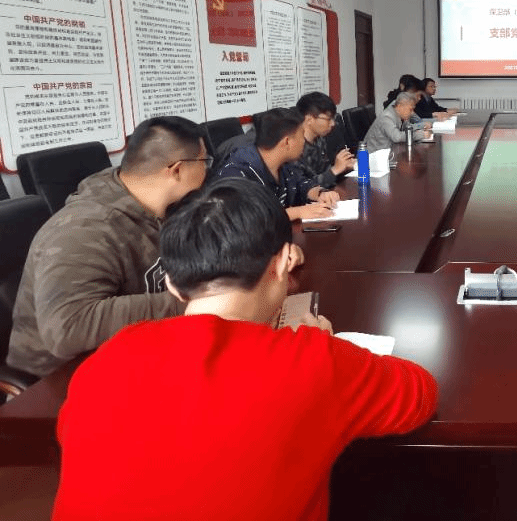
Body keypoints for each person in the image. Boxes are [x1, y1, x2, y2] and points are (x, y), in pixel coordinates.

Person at [51, 179, 439, 521]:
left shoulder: (107, 359)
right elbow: (420, 394)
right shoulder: (312, 359)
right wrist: (328, 345)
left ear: (171, 285)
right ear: (284, 262)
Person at [6, 117, 208, 378]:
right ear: (177, 170)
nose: (207, 169)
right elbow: (68, 328)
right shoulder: (84, 229)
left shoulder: (158, 206)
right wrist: (190, 303)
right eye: (204, 161)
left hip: (130, 350)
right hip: (58, 378)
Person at [215, 107, 338, 221]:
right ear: (287, 142)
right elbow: (244, 220)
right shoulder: (237, 173)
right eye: (302, 136)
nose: (304, 142)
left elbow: (301, 184)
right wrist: (298, 212)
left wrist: (319, 193)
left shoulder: (284, 163)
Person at [295, 91, 355, 189]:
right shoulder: (294, 147)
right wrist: (335, 170)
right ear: (309, 119)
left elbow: (324, 173)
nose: (333, 124)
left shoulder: (319, 139)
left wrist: (343, 167)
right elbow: (302, 189)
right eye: (328, 119)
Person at [364, 92, 430, 152]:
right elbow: (397, 137)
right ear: (400, 106)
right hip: (372, 155)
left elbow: (408, 127)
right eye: (411, 109)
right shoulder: (387, 117)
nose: (412, 113)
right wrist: (420, 135)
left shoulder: (400, 116)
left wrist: (421, 125)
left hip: (388, 151)